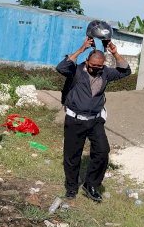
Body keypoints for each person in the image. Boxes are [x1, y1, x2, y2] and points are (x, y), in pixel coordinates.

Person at [56, 37, 131, 202]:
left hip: (95, 120)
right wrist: (81, 48)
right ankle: (71, 188)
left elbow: (126, 71)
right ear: (87, 61)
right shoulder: (75, 70)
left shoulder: (105, 72)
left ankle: (91, 185)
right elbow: (61, 67)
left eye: (99, 66)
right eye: (93, 65)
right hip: (75, 119)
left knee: (102, 151)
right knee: (72, 155)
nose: (96, 69)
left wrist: (115, 53)